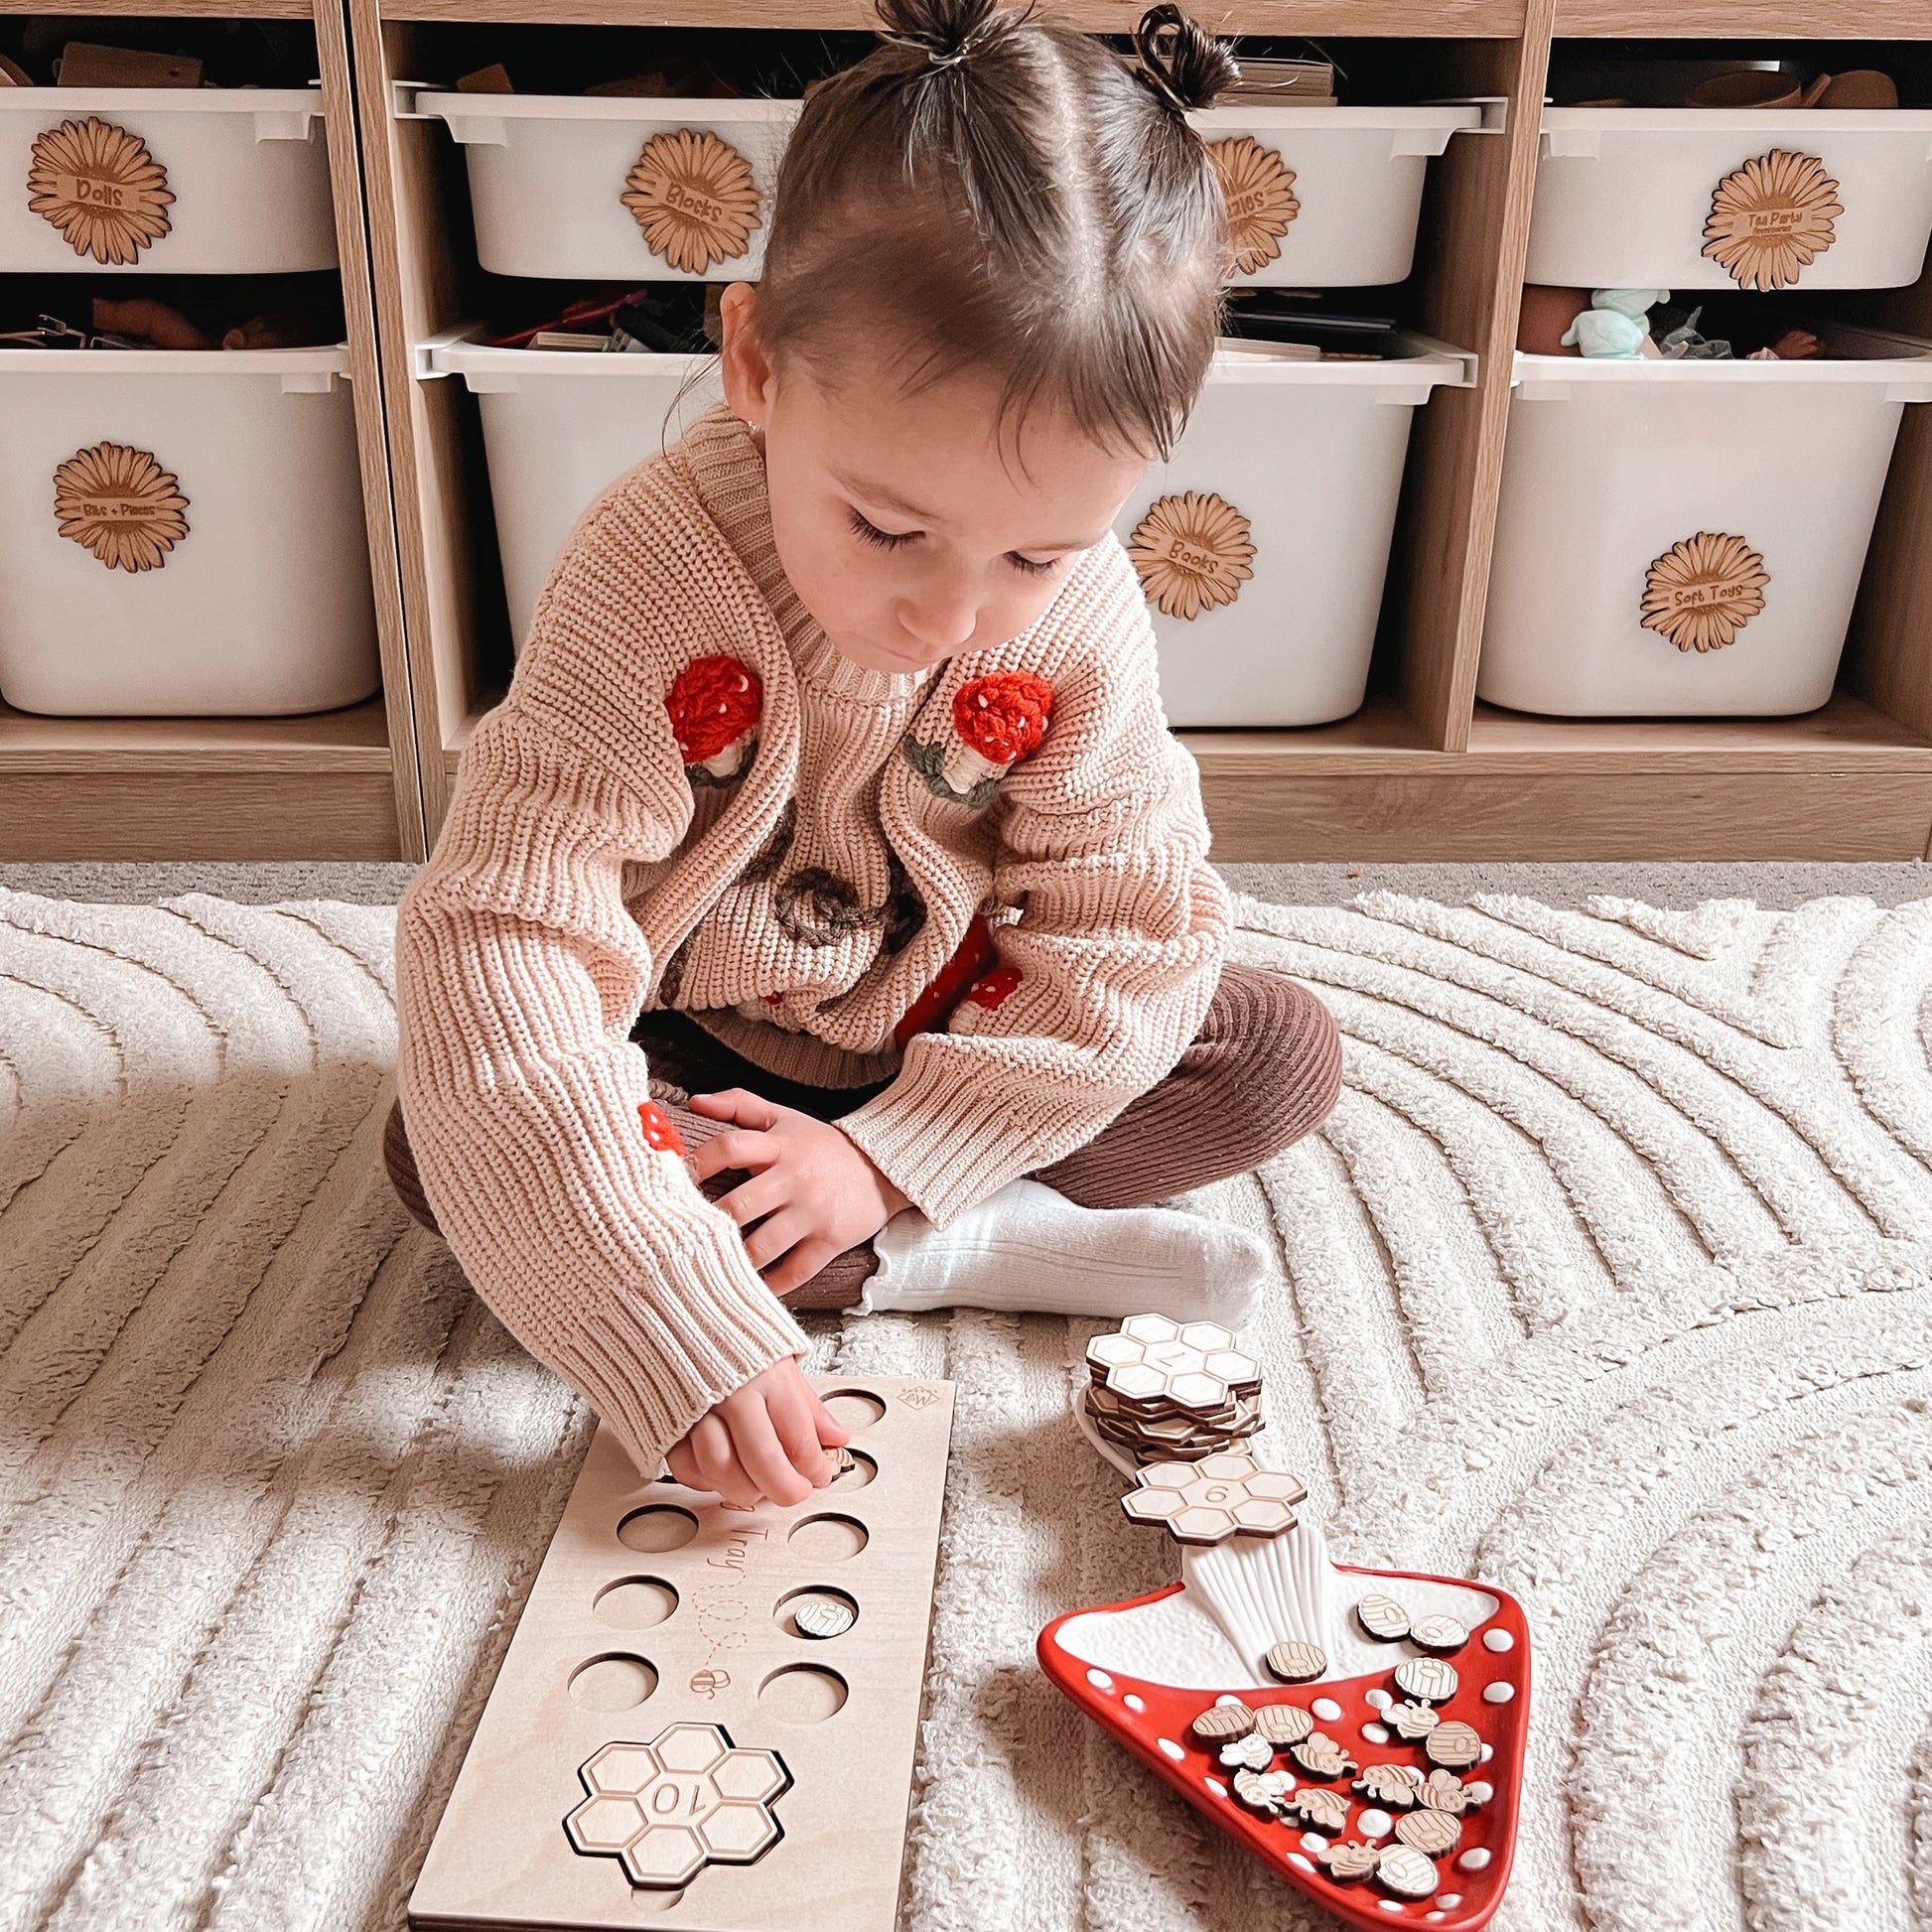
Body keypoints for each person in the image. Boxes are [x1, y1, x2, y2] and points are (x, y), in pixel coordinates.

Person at [387, 0, 1342, 1512]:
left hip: (943, 1025)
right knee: (443, 1137)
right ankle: (880, 1244)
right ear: (755, 363)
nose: (948, 616)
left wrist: (891, 1155)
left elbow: (1128, 926)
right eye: (889, 530)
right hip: (700, 1038)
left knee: (1273, 1049)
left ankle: (903, 1227)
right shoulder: (648, 569)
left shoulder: (1082, 614)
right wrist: (656, 1301)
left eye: (1033, 552)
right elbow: (507, 927)